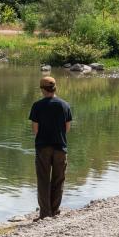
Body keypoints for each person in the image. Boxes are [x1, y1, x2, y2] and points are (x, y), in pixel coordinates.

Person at [28, 76, 72, 220]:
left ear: (42, 89)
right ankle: (54, 211)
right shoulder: (65, 105)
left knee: (43, 180)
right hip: (60, 147)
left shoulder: (37, 105)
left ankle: (45, 214)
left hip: (43, 148)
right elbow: (67, 128)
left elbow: (35, 129)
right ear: (55, 88)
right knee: (58, 180)